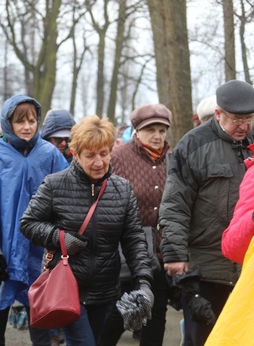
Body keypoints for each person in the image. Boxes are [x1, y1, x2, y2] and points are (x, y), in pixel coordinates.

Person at [20, 115, 154, 346]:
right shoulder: (54, 184)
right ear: (75, 153)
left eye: (103, 153)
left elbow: (134, 239)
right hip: (67, 288)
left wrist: (144, 281)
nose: (99, 162)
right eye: (90, 155)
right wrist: (59, 237)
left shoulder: (122, 190)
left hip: (106, 290)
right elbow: (28, 223)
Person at [0, 95, 68, 346]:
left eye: (32, 120)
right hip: (2, 243)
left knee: (39, 305)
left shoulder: (50, 154)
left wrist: (59, 235)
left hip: (39, 246)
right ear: (8, 122)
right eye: (20, 121)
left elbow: (66, 195)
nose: (27, 126)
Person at [159, 79, 254, 346]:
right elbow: (175, 204)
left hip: (248, 269)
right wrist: (175, 254)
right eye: (236, 119)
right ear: (218, 114)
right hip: (205, 268)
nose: (243, 126)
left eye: (249, 119)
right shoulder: (192, 145)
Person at [106, 104, 172, 346]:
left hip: (160, 252)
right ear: (137, 131)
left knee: (157, 313)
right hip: (127, 251)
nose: (157, 136)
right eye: (151, 130)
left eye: (162, 130)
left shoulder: (172, 160)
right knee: (120, 311)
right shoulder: (118, 158)